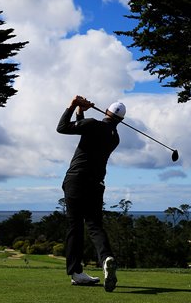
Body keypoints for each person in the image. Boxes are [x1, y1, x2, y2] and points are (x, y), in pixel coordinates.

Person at [56, 95, 125, 292]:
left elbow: (62, 128)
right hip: (96, 184)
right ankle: (106, 258)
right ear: (121, 120)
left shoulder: (93, 125)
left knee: (75, 226)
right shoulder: (114, 137)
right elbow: (83, 128)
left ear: (106, 112)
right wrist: (81, 111)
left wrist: (72, 106)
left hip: (76, 180)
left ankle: (76, 273)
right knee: (94, 225)